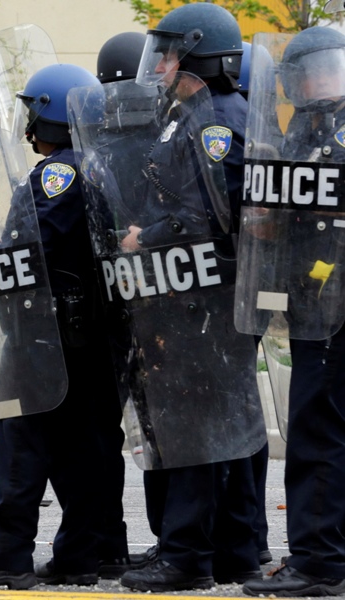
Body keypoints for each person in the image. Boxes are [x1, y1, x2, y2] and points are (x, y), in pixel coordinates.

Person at [94, 3, 268, 592]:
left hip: (205, 297)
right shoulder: (188, 115)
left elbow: (217, 209)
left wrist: (149, 236)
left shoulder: (217, 119)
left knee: (196, 426)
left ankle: (189, 556)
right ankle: (234, 551)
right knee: (225, 425)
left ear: (196, 55)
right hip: (186, 294)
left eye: (168, 53)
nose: (160, 65)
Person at [0, 64, 127, 590]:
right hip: (90, 337)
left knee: (22, 447)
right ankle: (83, 554)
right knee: (83, 452)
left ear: (49, 115)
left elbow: (38, 245)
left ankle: (7, 556)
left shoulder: (60, 172)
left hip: (44, 335)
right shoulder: (101, 166)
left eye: (33, 112)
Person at [242, 26, 345, 597]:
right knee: (321, 431)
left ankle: (319, 564)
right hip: (311, 303)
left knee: (316, 435)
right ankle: (326, 554)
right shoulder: (306, 127)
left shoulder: (334, 133)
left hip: (335, 308)